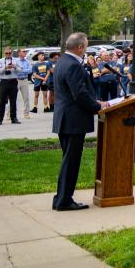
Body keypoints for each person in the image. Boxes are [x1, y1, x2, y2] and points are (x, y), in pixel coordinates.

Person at [52, 32, 110, 211]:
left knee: (67, 160)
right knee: (71, 161)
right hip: (73, 120)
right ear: (80, 48)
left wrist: (95, 102)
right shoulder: (73, 66)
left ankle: (60, 198)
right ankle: (64, 200)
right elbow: (80, 94)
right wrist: (97, 106)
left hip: (65, 119)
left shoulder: (62, 62)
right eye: (85, 46)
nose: (85, 49)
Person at [0, 48, 22, 125]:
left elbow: (20, 70)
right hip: (4, 81)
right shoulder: (0, 61)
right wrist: (5, 67)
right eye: (6, 53)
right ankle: (0, 119)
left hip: (13, 81)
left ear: (12, 53)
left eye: (9, 53)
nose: (8, 55)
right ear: (4, 53)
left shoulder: (16, 60)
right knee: (2, 101)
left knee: (13, 101)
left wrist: (15, 67)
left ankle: (14, 118)